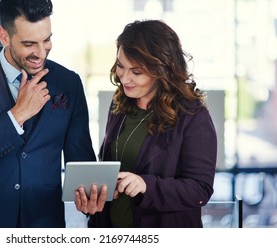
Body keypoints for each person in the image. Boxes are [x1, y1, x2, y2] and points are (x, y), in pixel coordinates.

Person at [0, 0, 106, 228]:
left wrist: (90, 199)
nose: (41, 53)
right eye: (29, 44)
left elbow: (80, 159)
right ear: (4, 36)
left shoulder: (68, 83)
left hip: (44, 224)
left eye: (47, 40)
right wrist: (16, 116)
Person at [86, 19, 217, 228]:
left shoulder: (193, 115)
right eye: (121, 66)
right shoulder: (119, 103)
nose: (124, 78)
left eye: (136, 72)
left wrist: (145, 185)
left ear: (162, 70)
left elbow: (200, 190)